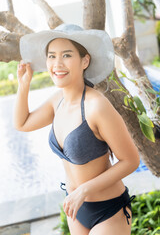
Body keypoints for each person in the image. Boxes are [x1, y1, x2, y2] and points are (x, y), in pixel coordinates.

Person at [14, 23, 140, 235]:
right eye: (52, 56)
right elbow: (22, 123)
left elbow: (131, 160)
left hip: (108, 210)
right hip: (76, 209)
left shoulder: (96, 106)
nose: (57, 63)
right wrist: (23, 84)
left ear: (85, 60)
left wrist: (83, 190)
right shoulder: (57, 102)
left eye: (66, 55)